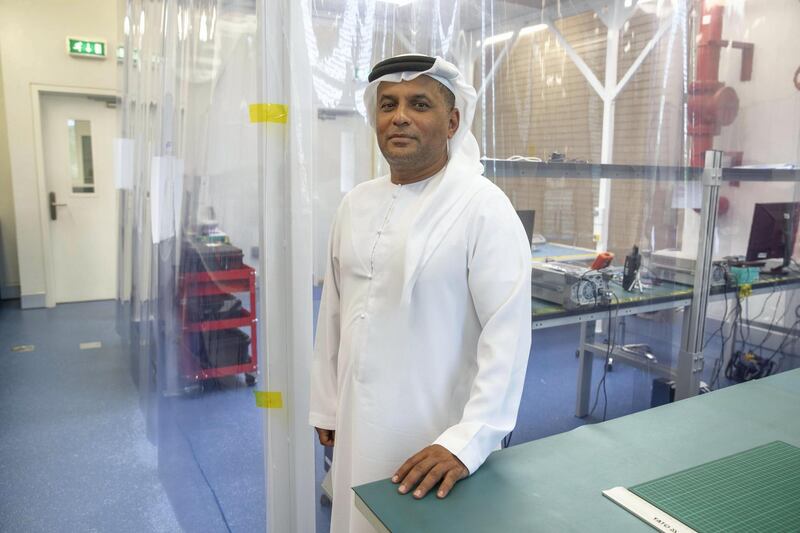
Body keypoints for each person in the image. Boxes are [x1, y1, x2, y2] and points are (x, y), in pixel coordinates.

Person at [309, 54, 532, 533]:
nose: (400, 116)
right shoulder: (355, 204)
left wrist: (466, 441)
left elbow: (507, 336)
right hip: (354, 421)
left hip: (434, 434)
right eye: (388, 104)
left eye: (419, 104)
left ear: (452, 121)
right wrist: (327, 402)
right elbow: (335, 310)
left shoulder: (483, 208)